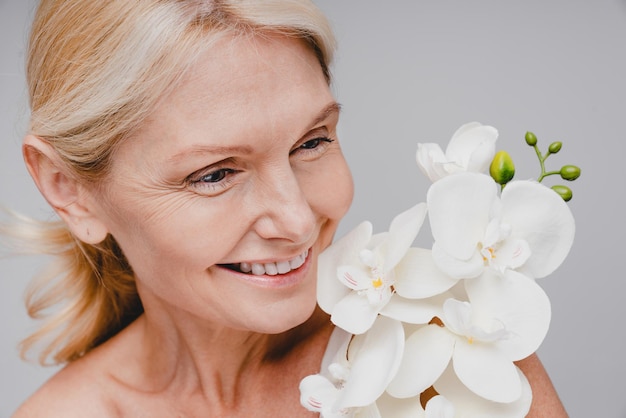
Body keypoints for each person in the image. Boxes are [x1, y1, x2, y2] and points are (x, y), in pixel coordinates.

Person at [7, 0, 568, 416]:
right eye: (216, 174)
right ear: (68, 188)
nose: (299, 221)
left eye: (312, 142)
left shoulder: (448, 357)